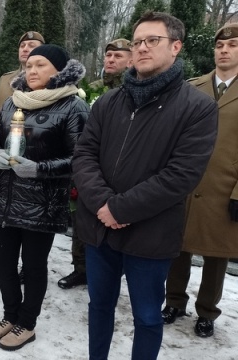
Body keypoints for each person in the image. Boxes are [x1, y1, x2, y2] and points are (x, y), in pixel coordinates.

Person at [72, 12, 218, 360]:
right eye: (137, 41)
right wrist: (103, 204)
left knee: (148, 317)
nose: (141, 48)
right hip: (99, 229)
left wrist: (120, 209)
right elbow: (84, 155)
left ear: (176, 47)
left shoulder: (197, 108)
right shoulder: (109, 102)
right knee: (99, 307)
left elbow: (181, 174)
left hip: (150, 234)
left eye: (153, 40)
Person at [0, 45, 88, 351]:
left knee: (33, 266)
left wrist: (39, 169)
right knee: (2, 261)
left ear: (59, 71)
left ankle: (27, 323)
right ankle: (10, 315)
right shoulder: (13, 102)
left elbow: (80, 158)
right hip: (6, 198)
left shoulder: (72, 106)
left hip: (42, 203)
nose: (31, 71)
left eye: (40, 65)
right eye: (28, 65)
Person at [162, 22, 238, 338]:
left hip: (224, 188)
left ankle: (207, 311)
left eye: (232, 45)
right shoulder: (192, 87)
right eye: (220, 45)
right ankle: (174, 302)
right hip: (185, 182)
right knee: (177, 246)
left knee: (216, 254)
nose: (224, 50)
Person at [58, 37, 133, 291]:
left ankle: (112, 273)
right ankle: (81, 269)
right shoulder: (91, 88)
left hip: (120, 167)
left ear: (130, 60)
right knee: (82, 218)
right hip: (89, 165)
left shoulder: (133, 89)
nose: (111, 60)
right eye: (108, 56)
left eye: (118, 57)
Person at [0, 31, 44, 273]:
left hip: (32, 158)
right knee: (0, 206)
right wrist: (0, 135)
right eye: (23, 45)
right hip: (4, 156)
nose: (26, 48)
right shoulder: (5, 79)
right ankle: (2, 259)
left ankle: (28, 267)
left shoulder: (51, 80)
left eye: (33, 45)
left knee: (28, 216)